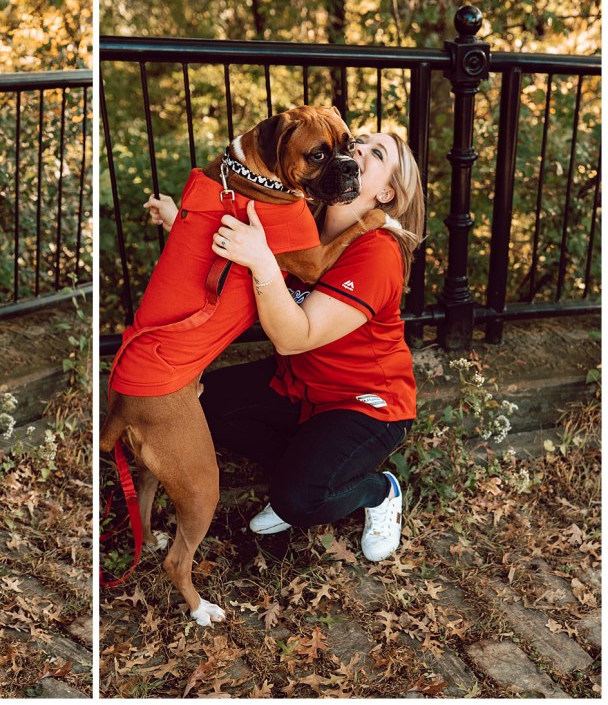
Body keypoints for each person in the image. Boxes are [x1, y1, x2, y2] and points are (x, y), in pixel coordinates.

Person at [144, 132, 423, 561]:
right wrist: (178, 218)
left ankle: (378, 490)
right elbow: (238, 242)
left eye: (377, 153)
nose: (359, 149)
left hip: (364, 401)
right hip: (298, 384)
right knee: (203, 405)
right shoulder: (302, 219)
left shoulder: (378, 252)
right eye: (359, 142)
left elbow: (294, 337)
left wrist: (262, 262)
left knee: (300, 501)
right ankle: (305, 466)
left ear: (386, 192)